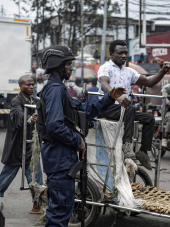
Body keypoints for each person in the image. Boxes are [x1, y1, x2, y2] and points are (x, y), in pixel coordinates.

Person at [38, 45, 126, 227]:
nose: (71, 68)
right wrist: (77, 140)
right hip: (58, 155)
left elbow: (84, 111)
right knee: (60, 211)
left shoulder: (60, 89)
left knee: (64, 208)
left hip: (63, 156)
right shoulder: (54, 90)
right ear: (58, 66)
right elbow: (54, 125)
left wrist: (109, 98)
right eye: (68, 64)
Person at [97, 40, 170, 170]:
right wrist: (116, 96)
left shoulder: (129, 71)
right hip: (106, 107)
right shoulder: (105, 68)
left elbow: (149, 82)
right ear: (112, 53)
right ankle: (127, 145)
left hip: (123, 110)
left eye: (126, 53)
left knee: (149, 119)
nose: (124, 56)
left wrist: (163, 71)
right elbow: (104, 84)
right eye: (120, 53)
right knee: (129, 108)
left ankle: (143, 151)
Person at [0, 76, 44, 214]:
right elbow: (18, 115)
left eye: (32, 84)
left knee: (35, 174)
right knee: (8, 173)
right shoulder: (16, 101)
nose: (31, 87)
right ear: (21, 86)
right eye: (28, 84)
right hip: (17, 144)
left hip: (31, 145)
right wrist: (29, 118)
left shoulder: (36, 101)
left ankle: (36, 204)